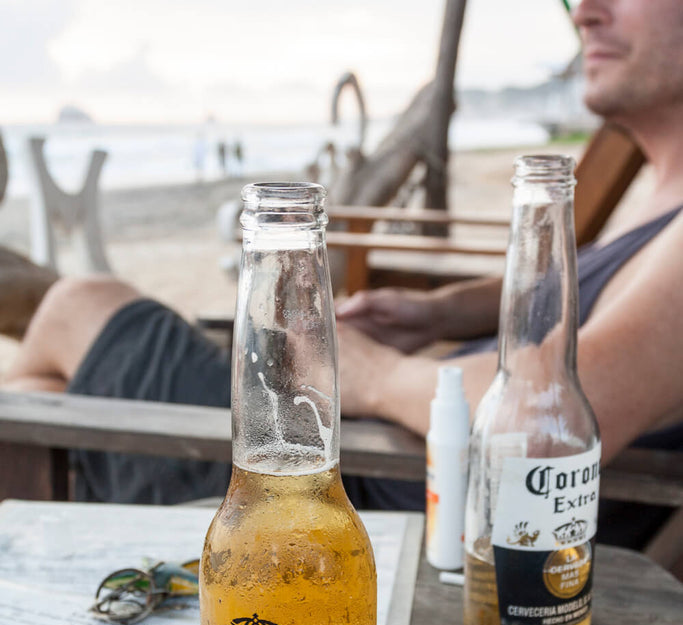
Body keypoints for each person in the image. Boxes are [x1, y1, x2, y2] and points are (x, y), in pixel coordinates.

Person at [2, 0, 683, 531]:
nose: (584, 12)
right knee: (52, 398)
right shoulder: (659, 196)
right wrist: (440, 311)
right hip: (382, 460)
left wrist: (363, 372)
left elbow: (540, 423)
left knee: (77, 310)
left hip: (365, 506)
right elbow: (589, 293)